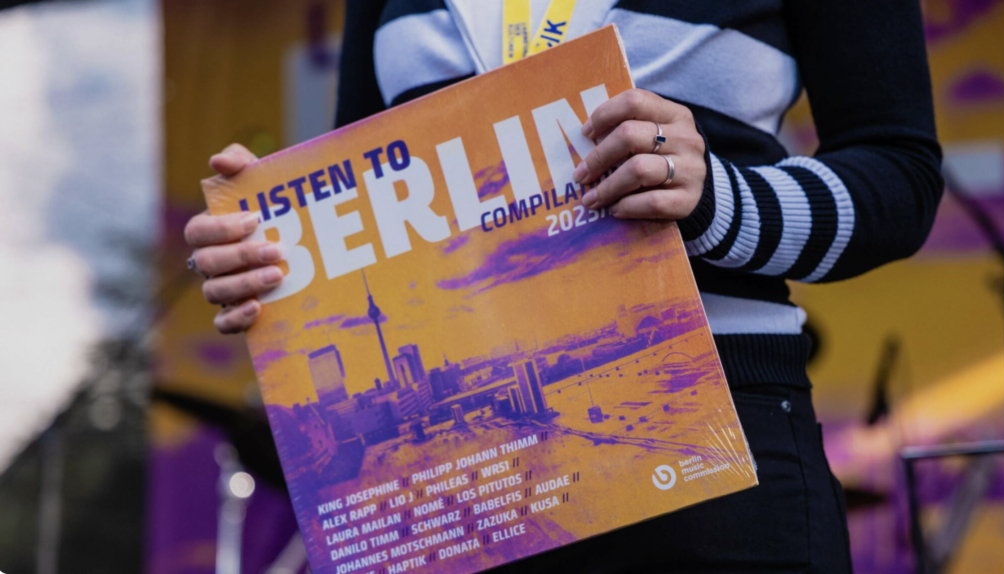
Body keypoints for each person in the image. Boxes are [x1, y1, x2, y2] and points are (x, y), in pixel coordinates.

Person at [184, 1, 943, 571]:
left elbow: (900, 177)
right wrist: (271, 259)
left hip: (714, 447)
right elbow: (358, 182)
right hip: (442, 495)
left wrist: (716, 198)